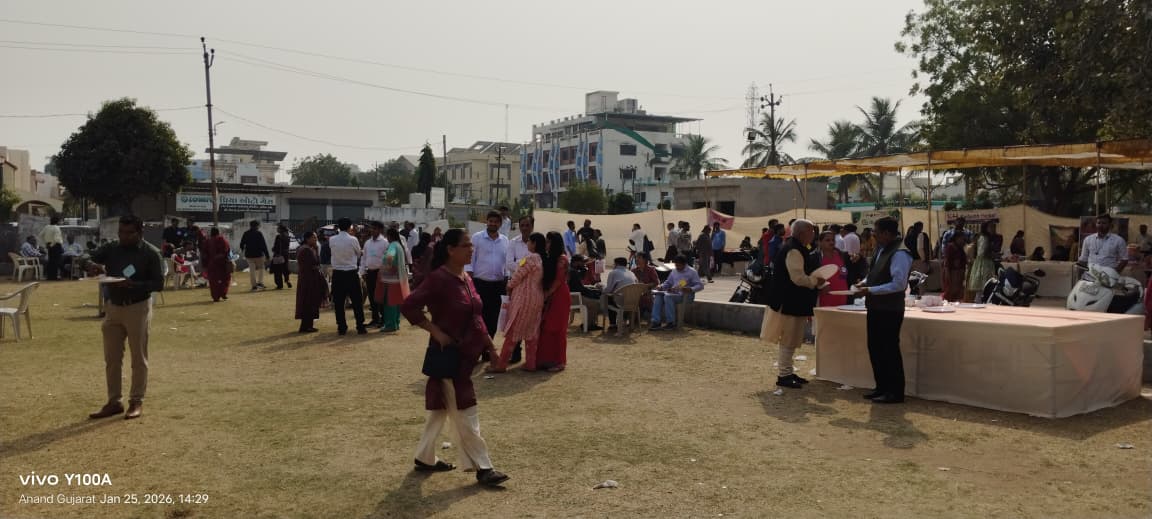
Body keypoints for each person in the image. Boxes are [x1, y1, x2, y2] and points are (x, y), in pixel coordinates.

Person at [399, 229, 509, 488]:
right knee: (466, 409)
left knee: (439, 410)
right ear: (450, 249)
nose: (471, 249)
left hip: (467, 355)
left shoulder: (466, 278)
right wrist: (435, 331)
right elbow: (409, 305)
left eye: (471, 245)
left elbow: (477, 317)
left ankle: (424, 457)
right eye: (466, 245)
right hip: (448, 357)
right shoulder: (438, 279)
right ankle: (484, 467)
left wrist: (491, 348)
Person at [86, 215, 163, 420]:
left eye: (129, 233)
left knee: (138, 358)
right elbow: (88, 254)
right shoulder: (112, 248)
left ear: (140, 232)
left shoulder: (150, 253)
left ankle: (136, 401)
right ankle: (114, 402)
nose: (124, 236)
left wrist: (133, 285)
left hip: (137, 307)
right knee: (112, 358)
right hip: (113, 308)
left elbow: (158, 284)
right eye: (121, 232)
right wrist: (90, 264)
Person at [760, 219, 825, 389]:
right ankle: (784, 375)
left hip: (793, 300)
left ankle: (787, 371)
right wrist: (815, 282)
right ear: (802, 233)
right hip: (789, 301)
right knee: (788, 339)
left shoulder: (797, 247)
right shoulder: (794, 250)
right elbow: (798, 278)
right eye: (811, 231)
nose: (813, 234)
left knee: (792, 338)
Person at [854, 217, 912, 404]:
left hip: (890, 309)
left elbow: (898, 284)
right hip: (876, 306)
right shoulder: (881, 249)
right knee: (876, 348)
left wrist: (870, 290)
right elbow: (874, 274)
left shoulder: (900, 253)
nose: (874, 235)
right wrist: (864, 283)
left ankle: (894, 391)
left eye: (876, 232)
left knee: (889, 349)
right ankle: (881, 387)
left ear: (887, 233)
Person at [489, 233, 546, 372]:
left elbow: (518, 275)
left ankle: (501, 365)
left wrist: (509, 286)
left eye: (529, 241)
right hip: (537, 297)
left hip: (524, 298)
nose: (527, 244)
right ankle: (531, 363)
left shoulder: (530, 258)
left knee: (513, 331)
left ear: (534, 243)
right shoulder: (542, 259)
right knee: (532, 332)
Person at [469, 211, 509, 338]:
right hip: (480, 284)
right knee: (479, 315)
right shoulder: (477, 238)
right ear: (486, 222)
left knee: (494, 316)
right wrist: (470, 281)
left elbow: (506, 262)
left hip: (498, 285)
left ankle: (488, 344)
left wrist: (506, 278)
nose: (493, 224)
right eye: (491, 221)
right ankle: (478, 344)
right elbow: (470, 260)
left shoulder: (505, 240)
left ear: (500, 224)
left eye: (496, 222)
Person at [536, 232, 570, 372]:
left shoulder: (562, 259)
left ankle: (559, 361)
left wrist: (547, 294)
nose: (546, 245)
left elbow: (558, 280)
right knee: (546, 327)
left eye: (548, 242)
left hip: (559, 295)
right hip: (552, 294)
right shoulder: (551, 257)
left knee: (557, 328)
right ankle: (545, 360)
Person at [328, 218, 366, 335]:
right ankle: (360, 326)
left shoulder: (332, 239)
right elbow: (359, 253)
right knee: (357, 301)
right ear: (350, 227)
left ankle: (341, 327)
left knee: (339, 302)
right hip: (351, 272)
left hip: (337, 273)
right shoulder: (353, 239)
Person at [649, 255, 704, 330]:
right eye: (676, 265)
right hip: (673, 293)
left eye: (679, 265)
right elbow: (668, 282)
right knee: (658, 296)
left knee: (668, 297)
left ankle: (671, 323)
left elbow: (700, 285)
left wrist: (690, 289)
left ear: (684, 264)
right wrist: (661, 287)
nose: (677, 267)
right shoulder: (674, 271)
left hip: (685, 296)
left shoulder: (692, 272)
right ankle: (656, 322)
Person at [376, 227, 411, 333]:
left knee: (389, 302)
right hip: (399, 279)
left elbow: (389, 257)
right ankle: (396, 322)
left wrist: (386, 268)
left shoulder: (392, 245)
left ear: (389, 236)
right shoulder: (399, 245)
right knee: (396, 302)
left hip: (391, 279)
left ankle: (390, 325)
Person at [295, 232, 327, 333]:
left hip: (308, 279)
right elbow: (314, 264)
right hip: (309, 280)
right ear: (307, 239)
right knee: (309, 302)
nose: (315, 240)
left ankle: (307, 325)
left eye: (316, 238)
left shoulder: (306, 248)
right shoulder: (306, 250)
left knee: (309, 301)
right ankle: (306, 326)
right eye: (313, 238)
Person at [361, 222, 389, 328]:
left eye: (375, 229)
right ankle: (375, 319)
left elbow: (388, 259)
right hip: (370, 272)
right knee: (372, 296)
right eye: (372, 228)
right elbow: (364, 258)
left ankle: (384, 319)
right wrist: (363, 271)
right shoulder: (367, 243)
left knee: (381, 296)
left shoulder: (385, 242)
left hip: (380, 272)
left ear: (380, 230)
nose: (372, 230)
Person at [966, 221, 1000, 302]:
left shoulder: (984, 237)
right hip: (984, 264)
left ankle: (980, 300)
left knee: (983, 286)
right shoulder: (984, 238)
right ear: (986, 228)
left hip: (985, 263)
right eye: (991, 227)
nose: (993, 229)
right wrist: (993, 255)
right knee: (983, 285)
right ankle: (979, 301)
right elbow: (982, 253)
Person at [601, 257, 639, 329]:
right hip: (633, 302)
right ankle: (624, 321)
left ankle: (612, 324)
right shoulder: (631, 273)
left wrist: (601, 288)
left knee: (607, 297)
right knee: (617, 296)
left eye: (614, 264)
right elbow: (637, 285)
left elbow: (608, 289)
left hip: (620, 302)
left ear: (617, 264)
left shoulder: (613, 272)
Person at [567, 255, 603, 330]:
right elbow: (579, 289)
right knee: (595, 303)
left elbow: (579, 286)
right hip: (574, 297)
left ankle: (590, 323)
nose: (584, 264)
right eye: (582, 262)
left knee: (594, 298)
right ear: (576, 262)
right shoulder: (573, 272)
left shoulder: (572, 270)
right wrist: (593, 292)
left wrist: (592, 290)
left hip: (574, 295)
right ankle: (589, 325)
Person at [816, 231, 850, 308]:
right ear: (820, 242)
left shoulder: (842, 255)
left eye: (833, 240)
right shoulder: (815, 258)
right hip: (825, 297)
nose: (831, 242)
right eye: (827, 240)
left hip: (842, 297)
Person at [239, 220, 270, 291]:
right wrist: (267, 255)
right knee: (261, 268)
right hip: (259, 255)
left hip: (249, 255)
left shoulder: (246, 233)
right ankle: (260, 282)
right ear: (257, 226)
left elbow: (242, 244)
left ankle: (254, 285)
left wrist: (242, 250)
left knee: (252, 270)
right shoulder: (259, 233)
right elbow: (263, 245)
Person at [203, 227, 232, 302]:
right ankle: (223, 293)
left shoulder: (207, 241)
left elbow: (204, 254)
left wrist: (205, 265)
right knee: (225, 279)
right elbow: (227, 250)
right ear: (218, 232)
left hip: (211, 263)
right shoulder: (222, 240)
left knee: (213, 281)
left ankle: (215, 297)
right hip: (222, 263)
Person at [942, 232, 968, 302]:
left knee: (958, 291)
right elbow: (947, 261)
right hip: (951, 271)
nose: (963, 240)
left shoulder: (961, 248)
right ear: (957, 238)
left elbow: (964, 261)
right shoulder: (950, 247)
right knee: (950, 290)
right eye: (962, 239)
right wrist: (947, 273)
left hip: (959, 272)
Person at [38, 216, 65, 280]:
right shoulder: (56, 228)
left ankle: (50, 276)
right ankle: (55, 276)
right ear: (57, 221)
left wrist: (46, 244)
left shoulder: (46, 227)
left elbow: (40, 235)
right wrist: (52, 245)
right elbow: (56, 239)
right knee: (57, 261)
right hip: (56, 245)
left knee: (51, 261)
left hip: (49, 245)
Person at [271, 225, 293, 290]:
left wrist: (273, 249)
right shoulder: (288, 236)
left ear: (281, 229)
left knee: (277, 270)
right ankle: (287, 280)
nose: (277, 229)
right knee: (285, 268)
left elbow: (276, 246)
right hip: (285, 255)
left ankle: (279, 285)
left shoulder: (278, 236)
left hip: (278, 255)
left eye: (278, 228)